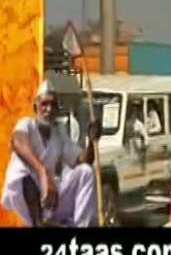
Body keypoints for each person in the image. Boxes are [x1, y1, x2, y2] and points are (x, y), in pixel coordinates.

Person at [1, 80, 101, 227]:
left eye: (53, 105)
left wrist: (92, 141)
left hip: (51, 199)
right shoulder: (27, 124)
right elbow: (17, 141)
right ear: (36, 106)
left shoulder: (58, 132)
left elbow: (82, 160)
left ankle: (81, 226)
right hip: (28, 199)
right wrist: (42, 173)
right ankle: (37, 222)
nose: (49, 109)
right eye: (44, 104)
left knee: (86, 171)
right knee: (21, 169)